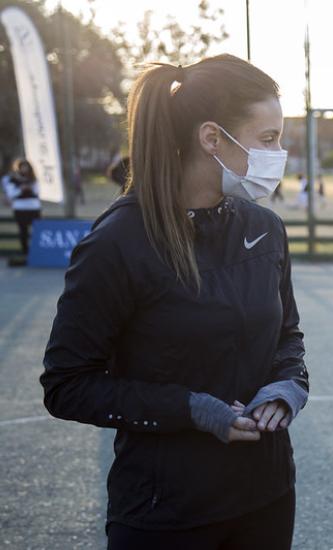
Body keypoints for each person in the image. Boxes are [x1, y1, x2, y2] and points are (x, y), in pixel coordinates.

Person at [41, 54, 308, 549]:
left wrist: (289, 387)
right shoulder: (117, 243)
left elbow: (287, 336)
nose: (280, 153)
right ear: (212, 139)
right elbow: (66, 385)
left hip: (266, 496)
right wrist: (191, 409)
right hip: (166, 513)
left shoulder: (265, 229)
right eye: (268, 139)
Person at [2, 158, 41, 260]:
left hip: (34, 207)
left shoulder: (33, 179)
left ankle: (37, 252)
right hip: (20, 208)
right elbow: (11, 194)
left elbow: (37, 192)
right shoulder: (12, 179)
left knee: (37, 230)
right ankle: (25, 253)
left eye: (26, 166)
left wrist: (30, 188)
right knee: (23, 231)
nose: (25, 169)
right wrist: (21, 189)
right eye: (22, 167)